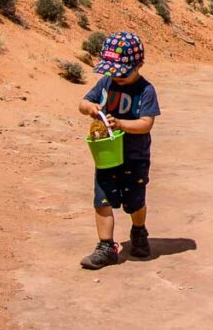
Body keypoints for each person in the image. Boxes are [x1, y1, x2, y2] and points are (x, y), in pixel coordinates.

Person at [76, 31, 160, 269]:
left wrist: (122, 124)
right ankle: (106, 247)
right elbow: (83, 103)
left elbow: (146, 123)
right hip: (107, 153)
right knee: (101, 198)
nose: (117, 77)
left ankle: (139, 230)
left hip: (135, 156)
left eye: (122, 72)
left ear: (139, 64)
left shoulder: (146, 90)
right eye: (112, 71)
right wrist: (90, 108)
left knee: (135, 201)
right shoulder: (105, 84)